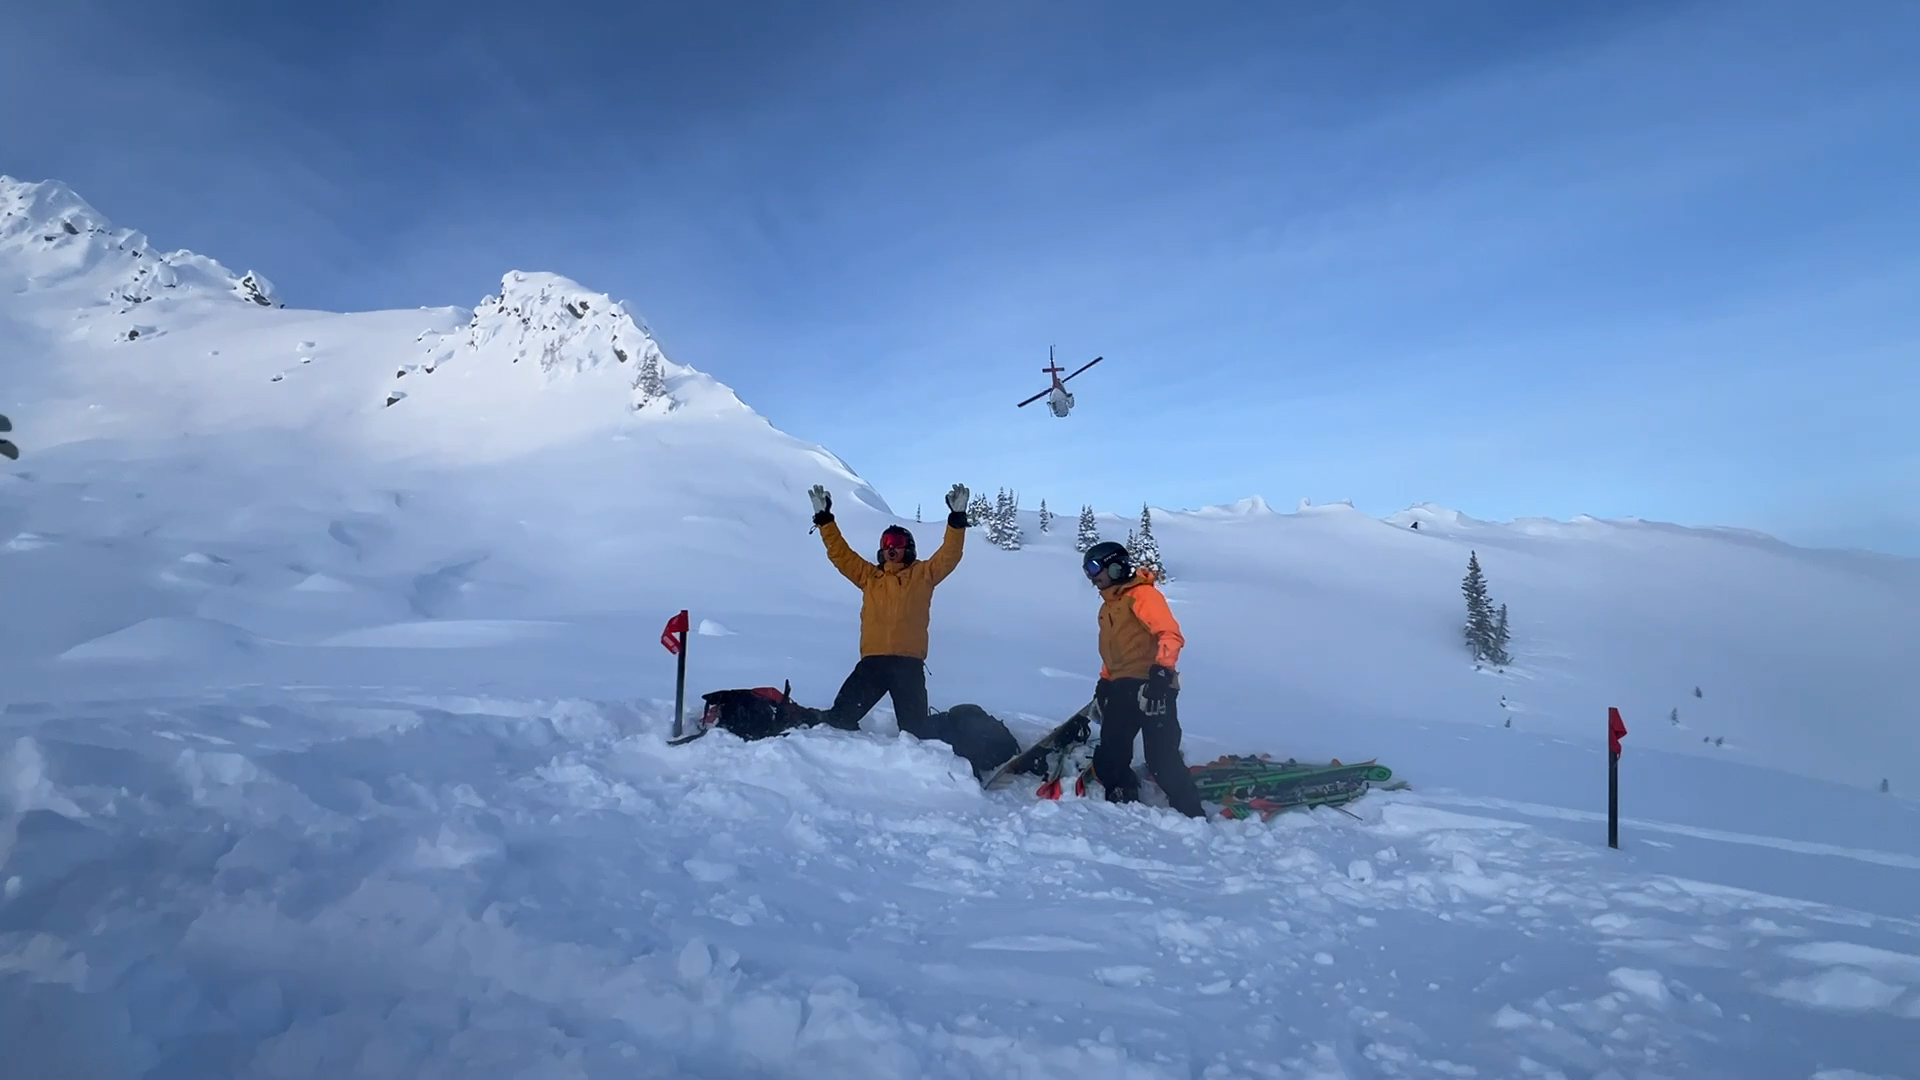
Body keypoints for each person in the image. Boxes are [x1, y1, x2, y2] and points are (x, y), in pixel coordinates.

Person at [808, 481, 970, 738]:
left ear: (909, 547)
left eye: (896, 541)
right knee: (840, 718)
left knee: (916, 732)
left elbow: (949, 555)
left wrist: (957, 520)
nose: (890, 547)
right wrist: (825, 519)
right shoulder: (869, 577)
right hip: (873, 663)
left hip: (908, 666)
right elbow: (841, 554)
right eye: (886, 542)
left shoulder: (923, 574)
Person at [1081, 540, 1206, 818]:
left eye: (1094, 568)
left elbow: (1169, 634)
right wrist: (1104, 681)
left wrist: (1162, 672)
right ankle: (1123, 804)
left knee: (1161, 757)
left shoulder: (1143, 596)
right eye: (1087, 572)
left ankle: (1191, 813)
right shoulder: (1109, 607)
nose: (1092, 578)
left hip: (1152, 688)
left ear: (1115, 567)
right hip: (1121, 687)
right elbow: (1114, 650)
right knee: (1112, 752)